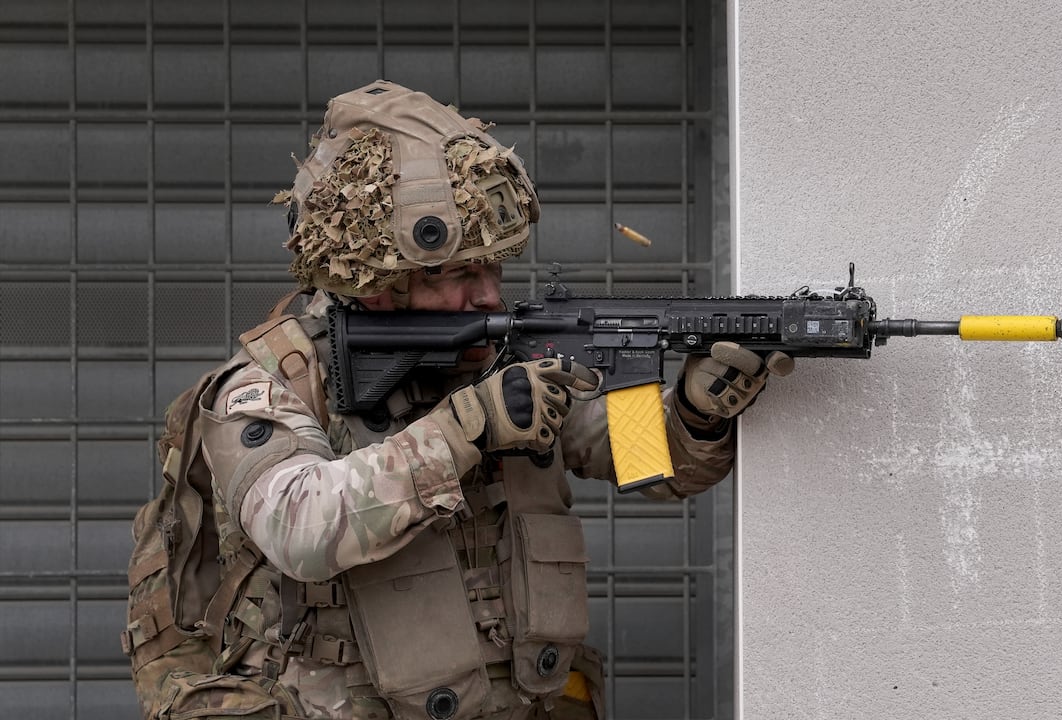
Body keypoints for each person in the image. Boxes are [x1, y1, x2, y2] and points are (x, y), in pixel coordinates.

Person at [189, 80, 790, 720]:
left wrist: (694, 410)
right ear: (377, 285)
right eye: (459, 274)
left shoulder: (504, 352)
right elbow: (298, 527)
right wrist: (466, 429)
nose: (489, 297)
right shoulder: (279, 378)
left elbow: (639, 458)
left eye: (494, 268)